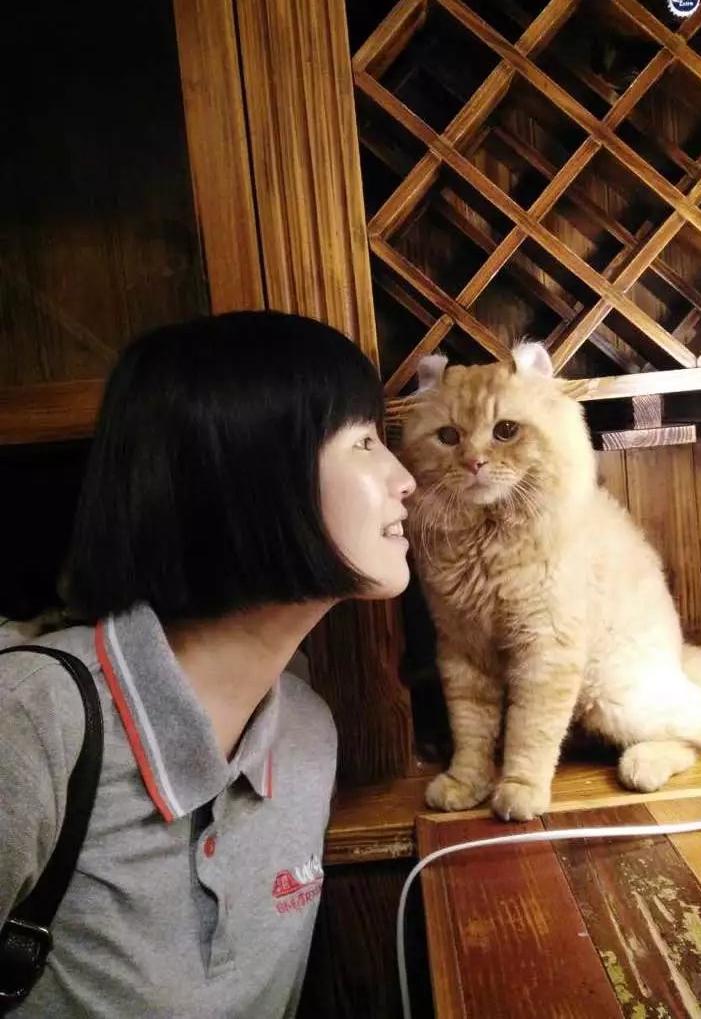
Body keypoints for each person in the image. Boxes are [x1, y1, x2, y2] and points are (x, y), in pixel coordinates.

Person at [0, 310, 415, 1017]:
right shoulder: (30, 721)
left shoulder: (308, 734)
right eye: (365, 441)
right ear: (251, 474)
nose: (404, 478)